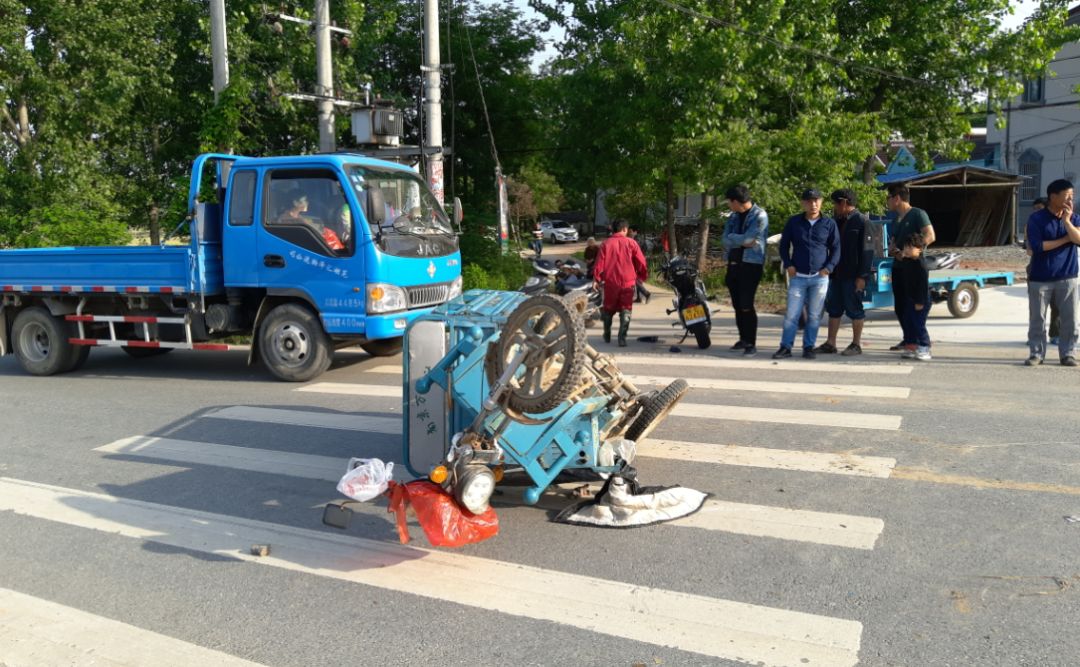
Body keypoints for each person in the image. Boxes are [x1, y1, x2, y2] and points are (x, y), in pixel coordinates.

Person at [773, 188, 840, 360]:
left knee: (814, 315)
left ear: (822, 202)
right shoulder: (794, 222)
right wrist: (788, 264)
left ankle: (808, 347)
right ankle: (785, 347)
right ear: (803, 203)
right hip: (798, 277)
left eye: (817, 200)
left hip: (820, 278)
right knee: (792, 315)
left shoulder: (829, 224)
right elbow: (783, 246)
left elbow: (836, 249)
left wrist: (828, 268)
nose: (813, 204)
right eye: (809, 201)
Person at [1025, 178, 1080, 366]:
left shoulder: (1073, 217)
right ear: (1053, 196)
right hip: (1040, 278)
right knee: (1037, 318)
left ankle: (1068, 353)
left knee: (1069, 319)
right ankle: (1036, 353)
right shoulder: (1036, 218)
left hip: (1068, 276)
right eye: (1067, 196)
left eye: (1072, 196)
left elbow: (1078, 239)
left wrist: (1066, 222)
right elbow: (1039, 247)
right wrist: (1065, 240)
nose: (1070, 200)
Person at [815, 189, 872, 356]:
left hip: (853, 275)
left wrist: (862, 276)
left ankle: (856, 344)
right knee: (834, 308)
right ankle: (830, 343)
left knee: (855, 309)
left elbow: (867, 252)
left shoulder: (862, 222)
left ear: (844, 203)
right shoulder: (835, 222)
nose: (834, 207)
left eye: (836, 203)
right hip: (836, 274)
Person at [885, 183, 936, 353]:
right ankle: (908, 339)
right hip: (898, 267)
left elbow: (930, 235)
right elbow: (894, 241)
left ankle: (918, 341)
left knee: (913, 305)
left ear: (897, 198)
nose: (887, 202)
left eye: (888, 198)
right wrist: (893, 249)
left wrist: (916, 249)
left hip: (913, 268)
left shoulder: (917, 214)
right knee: (900, 307)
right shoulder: (895, 220)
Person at [722, 184, 769, 356]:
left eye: (729, 202)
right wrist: (739, 240)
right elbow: (724, 240)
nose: (728, 205)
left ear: (736, 201)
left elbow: (750, 239)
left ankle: (751, 342)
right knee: (736, 304)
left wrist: (734, 238)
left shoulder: (760, 215)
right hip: (734, 262)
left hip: (751, 264)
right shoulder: (733, 217)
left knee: (746, 304)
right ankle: (742, 338)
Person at [593, 218, 648, 346]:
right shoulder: (632, 243)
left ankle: (607, 334)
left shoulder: (605, 244)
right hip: (628, 282)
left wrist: (596, 279)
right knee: (626, 309)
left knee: (608, 309)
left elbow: (599, 264)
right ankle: (621, 338)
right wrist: (641, 276)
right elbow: (641, 262)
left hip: (610, 282)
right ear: (624, 229)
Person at [897, 232, 932, 361]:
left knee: (918, 323)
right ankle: (911, 345)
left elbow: (922, 286)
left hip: (921, 299)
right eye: (906, 247)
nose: (907, 249)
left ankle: (924, 346)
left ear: (920, 249)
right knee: (908, 321)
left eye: (910, 247)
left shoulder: (921, 265)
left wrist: (920, 301)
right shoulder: (907, 261)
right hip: (910, 298)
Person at [629, 229, 652, 304]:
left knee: (635, 280)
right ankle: (639, 297)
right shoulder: (639, 238)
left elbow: (636, 249)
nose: (630, 233)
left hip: (639, 261)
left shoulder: (637, 238)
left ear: (635, 231)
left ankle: (646, 293)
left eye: (631, 231)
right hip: (639, 260)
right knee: (638, 280)